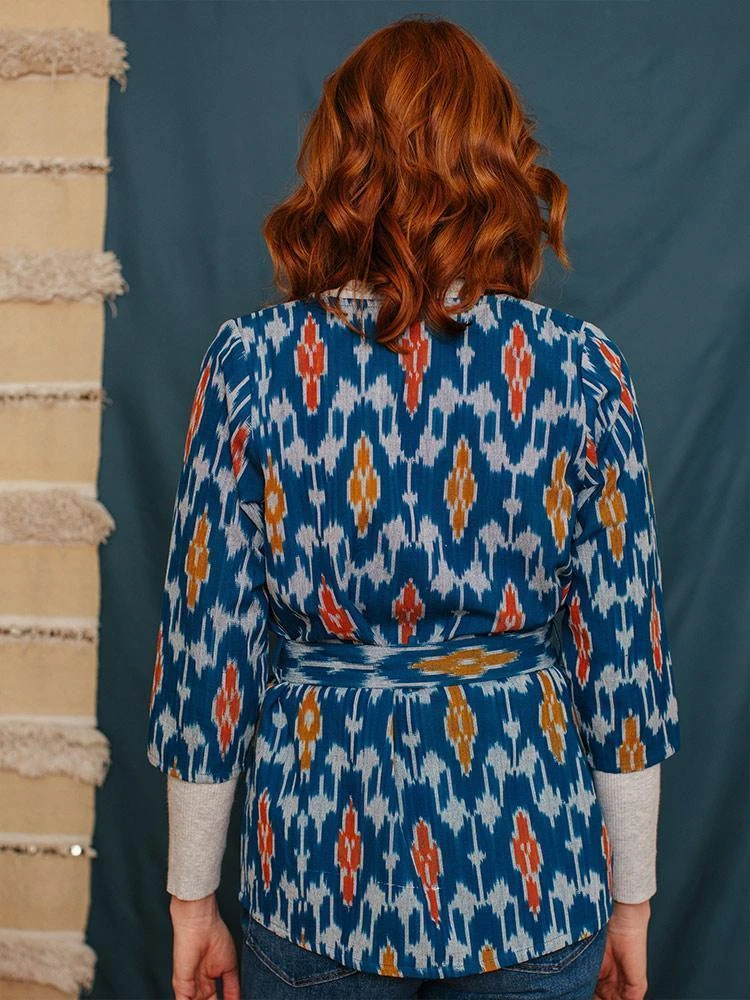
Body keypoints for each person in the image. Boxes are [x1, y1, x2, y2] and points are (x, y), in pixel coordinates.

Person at [146, 15, 680, 1000]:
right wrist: (633, 901)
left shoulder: (253, 364)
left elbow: (207, 660)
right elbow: (623, 665)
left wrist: (191, 899)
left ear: (339, 160)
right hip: (533, 875)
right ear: (499, 162)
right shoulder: (581, 369)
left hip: (317, 875)